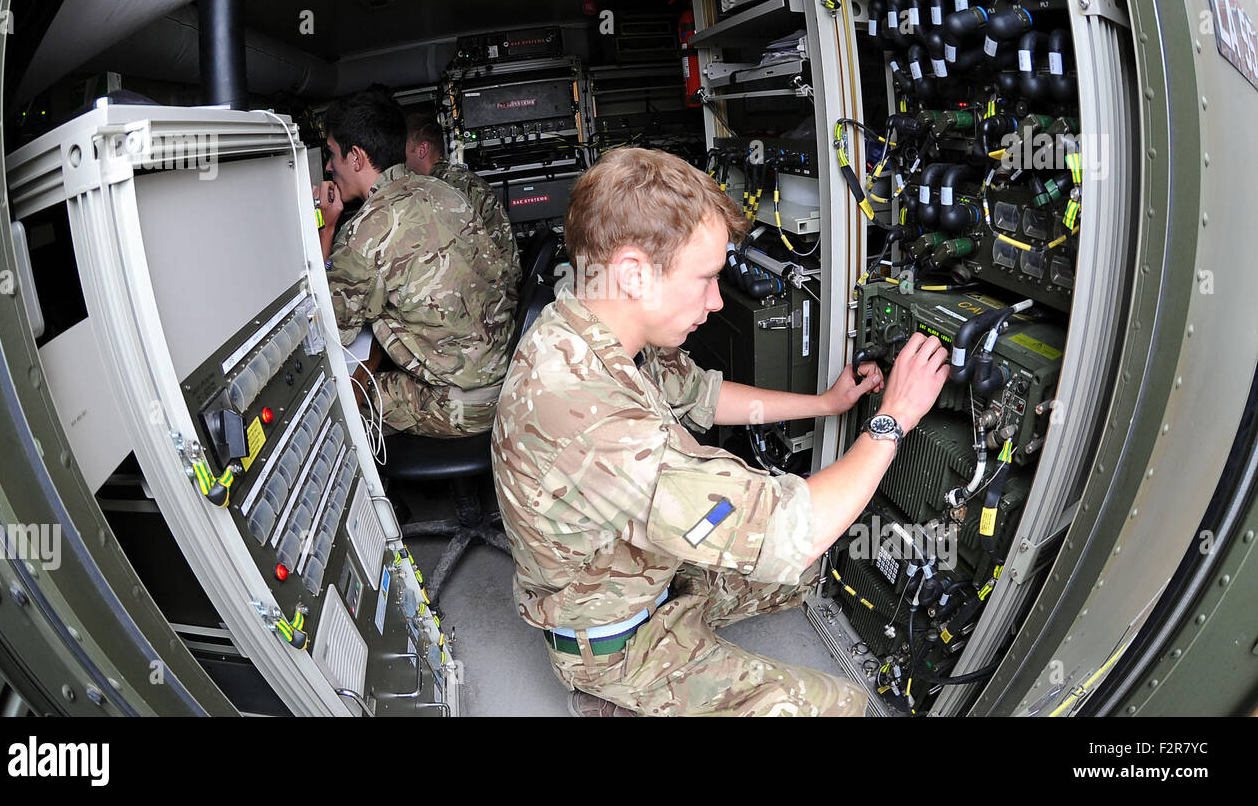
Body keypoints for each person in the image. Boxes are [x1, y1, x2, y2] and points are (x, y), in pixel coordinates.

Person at [491, 147, 949, 716]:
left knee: (816, 570)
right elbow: (791, 530)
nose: (714, 301)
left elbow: (704, 396)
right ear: (634, 273)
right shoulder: (583, 412)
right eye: (706, 278)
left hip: (646, 571)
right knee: (843, 705)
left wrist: (825, 402)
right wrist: (893, 419)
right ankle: (608, 698)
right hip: (618, 641)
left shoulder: (595, 326)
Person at [316, 90, 516, 437]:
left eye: (333, 155)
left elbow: (331, 328)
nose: (330, 166)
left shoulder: (365, 232)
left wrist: (328, 225)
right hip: (505, 379)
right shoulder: (444, 191)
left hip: (461, 406)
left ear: (357, 157)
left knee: (344, 400)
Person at [403, 110, 521, 303]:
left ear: (422, 150)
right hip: (497, 288)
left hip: (490, 297)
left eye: (404, 149)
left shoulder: (439, 189)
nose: (401, 159)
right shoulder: (457, 179)